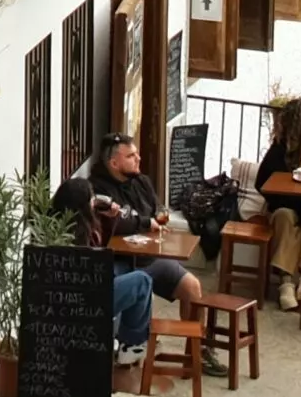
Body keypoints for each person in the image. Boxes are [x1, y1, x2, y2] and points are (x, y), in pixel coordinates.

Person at [56, 134, 206, 317]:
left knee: (192, 287)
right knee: (134, 287)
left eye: (136, 154)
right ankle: (134, 340)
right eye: (131, 156)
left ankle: (196, 346)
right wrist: (143, 223)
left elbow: (156, 211)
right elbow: (115, 225)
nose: (138, 158)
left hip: (148, 257)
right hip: (120, 260)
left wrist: (152, 223)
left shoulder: (141, 181)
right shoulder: (96, 190)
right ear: (114, 164)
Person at [255, 95, 301, 310]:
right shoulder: (279, 148)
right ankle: (286, 282)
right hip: (283, 204)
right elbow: (262, 183)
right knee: (285, 216)